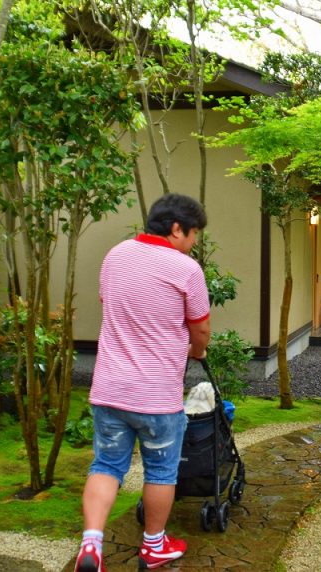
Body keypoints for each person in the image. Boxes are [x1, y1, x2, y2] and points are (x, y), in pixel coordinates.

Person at [74, 193, 211, 572]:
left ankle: (91, 545)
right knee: (161, 472)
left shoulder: (114, 255)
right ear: (176, 228)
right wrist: (196, 350)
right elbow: (200, 328)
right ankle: (153, 546)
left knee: (105, 465)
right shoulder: (186, 269)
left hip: (109, 389)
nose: (194, 241)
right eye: (193, 233)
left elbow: (114, 307)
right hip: (157, 397)